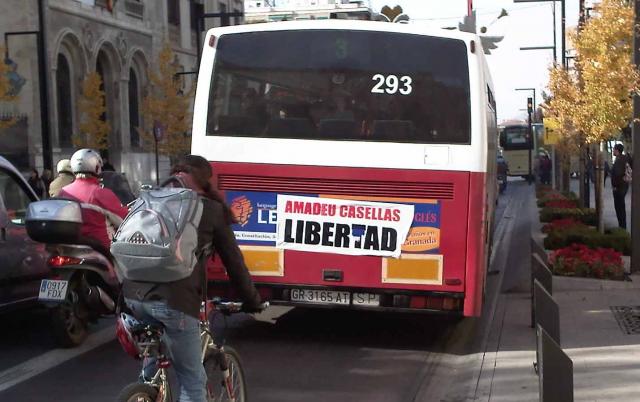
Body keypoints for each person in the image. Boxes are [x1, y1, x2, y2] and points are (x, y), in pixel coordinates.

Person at [122, 154, 262, 402]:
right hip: (174, 301)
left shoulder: (150, 199)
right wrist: (252, 301)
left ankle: (145, 390)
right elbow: (235, 264)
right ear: (206, 181)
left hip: (133, 298)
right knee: (193, 381)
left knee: (153, 363)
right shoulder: (210, 210)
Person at [59, 149, 128, 253]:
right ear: (96, 167)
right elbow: (124, 221)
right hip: (100, 249)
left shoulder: (63, 192)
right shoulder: (101, 193)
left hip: (71, 247)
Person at [611, 143, 632, 229]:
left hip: (619, 187)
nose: (613, 151)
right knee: (620, 207)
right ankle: (622, 226)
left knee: (619, 207)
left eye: (614, 149)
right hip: (623, 186)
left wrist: (615, 185)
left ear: (617, 150)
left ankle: (622, 226)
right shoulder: (623, 158)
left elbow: (618, 173)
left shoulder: (620, 160)